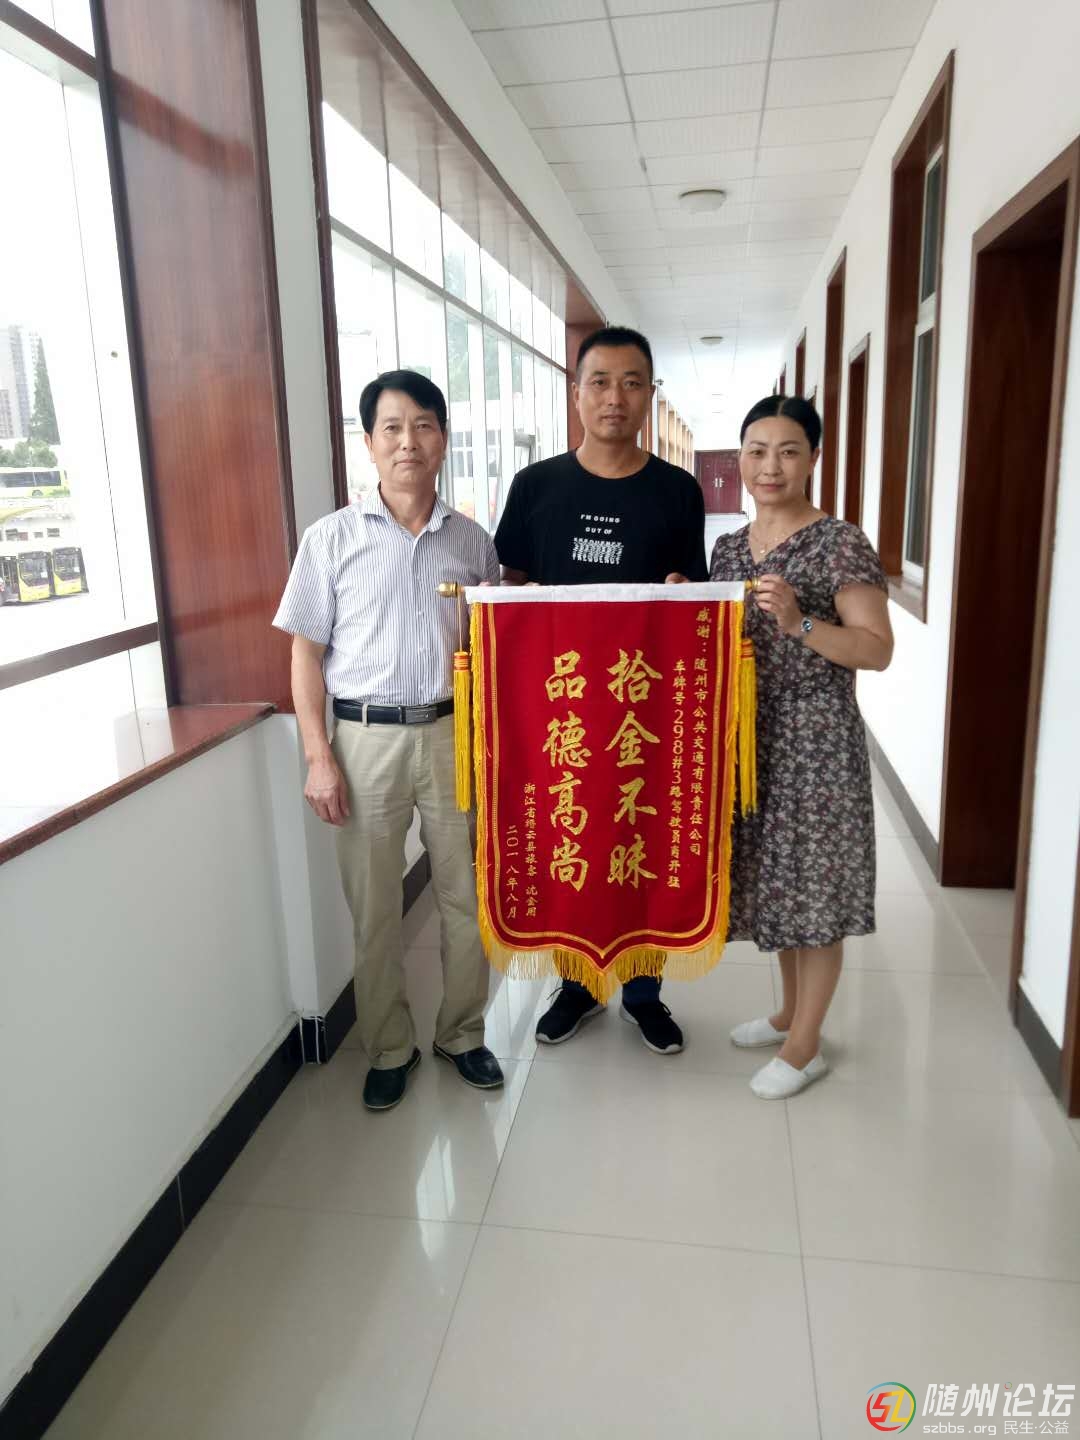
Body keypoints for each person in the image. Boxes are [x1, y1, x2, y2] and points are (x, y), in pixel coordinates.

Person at [273, 370, 504, 1112]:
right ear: (369, 443)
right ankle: (389, 1047)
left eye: (424, 426)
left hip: (451, 736)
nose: (409, 442)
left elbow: (490, 650)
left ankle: (462, 1034)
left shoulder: (473, 543)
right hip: (363, 739)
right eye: (393, 428)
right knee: (374, 907)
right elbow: (305, 655)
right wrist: (318, 756)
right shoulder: (330, 539)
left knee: (465, 897)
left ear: (444, 440)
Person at [494, 325, 707, 1055]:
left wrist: (679, 590)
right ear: (576, 392)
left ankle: (644, 993)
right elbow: (511, 592)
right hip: (560, 705)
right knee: (570, 835)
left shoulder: (676, 490)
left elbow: (689, 593)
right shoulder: (535, 486)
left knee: (639, 832)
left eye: (632, 382)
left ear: (649, 395)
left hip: (643, 703)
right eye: (600, 382)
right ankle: (577, 986)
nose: (615, 397)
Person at [710, 394, 893, 1099]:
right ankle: (788, 1013)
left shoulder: (839, 542)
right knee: (775, 880)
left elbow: (876, 649)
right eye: (757, 451)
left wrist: (799, 623)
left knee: (815, 889)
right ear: (740, 458)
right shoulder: (729, 548)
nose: (770, 466)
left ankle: (806, 1045)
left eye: (788, 451)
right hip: (749, 737)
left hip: (816, 738)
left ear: (813, 458)